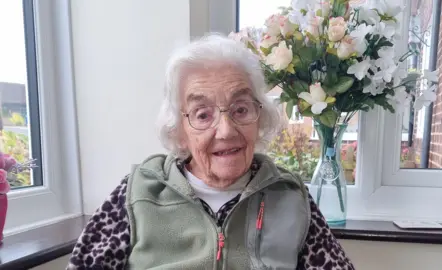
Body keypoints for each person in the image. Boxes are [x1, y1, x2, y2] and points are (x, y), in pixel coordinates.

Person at [67, 34, 355, 270]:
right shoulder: (138, 192)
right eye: (203, 115)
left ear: (260, 116)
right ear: (179, 129)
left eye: (240, 109)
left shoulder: (290, 195)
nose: (226, 131)